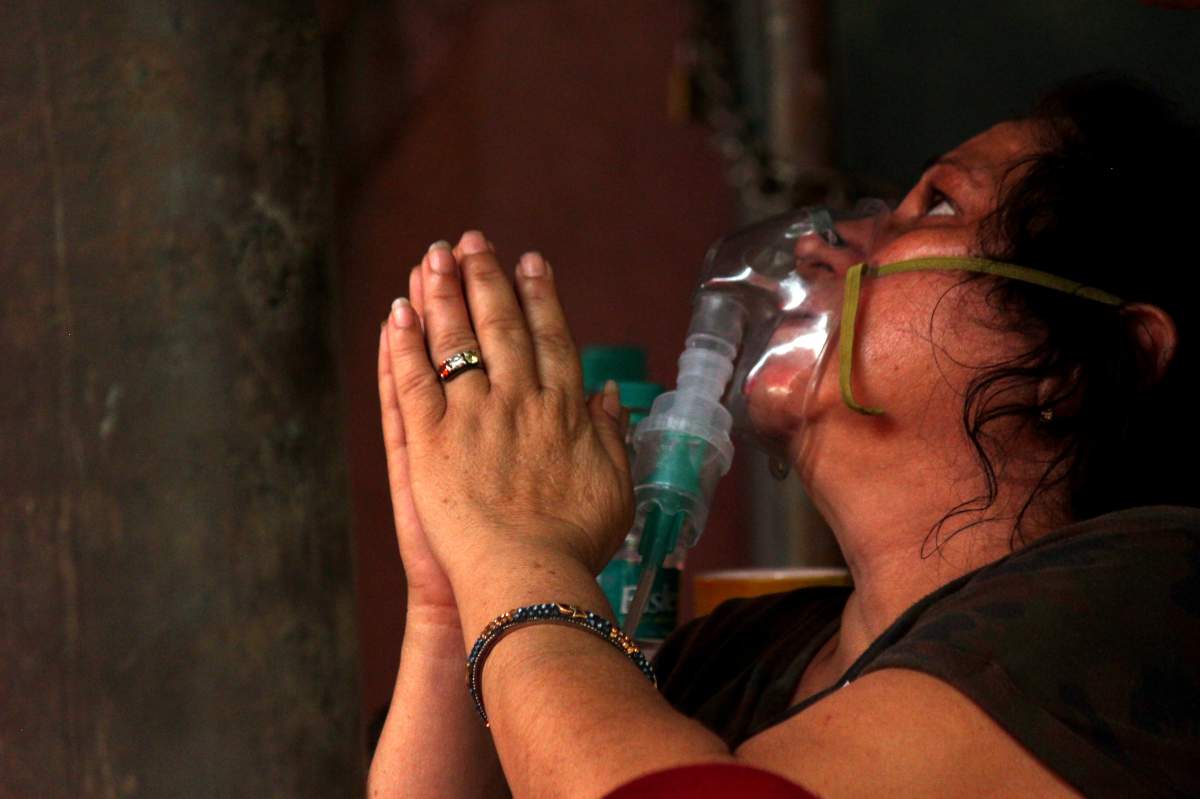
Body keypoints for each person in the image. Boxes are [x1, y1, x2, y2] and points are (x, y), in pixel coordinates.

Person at [366, 76, 1199, 798]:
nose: (814, 242)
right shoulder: (744, 653)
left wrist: (516, 557)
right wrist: (455, 588)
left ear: (1086, 365)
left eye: (937, 204)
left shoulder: (1156, 606)